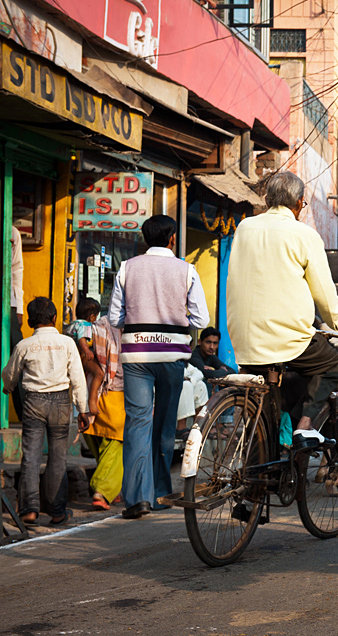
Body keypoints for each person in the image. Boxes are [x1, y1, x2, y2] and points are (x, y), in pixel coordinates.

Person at [227, 171, 338, 449]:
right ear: (300, 203)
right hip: (287, 340)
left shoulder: (244, 228)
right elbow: (326, 298)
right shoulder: (304, 234)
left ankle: (259, 469)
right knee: (332, 364)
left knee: (264, 406)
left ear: (267, 200)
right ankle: (305, 427)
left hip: (243, 341)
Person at [108, 214, 210, 519]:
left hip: (137, 356)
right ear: (173, 238)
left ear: (144, 238)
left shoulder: (127, 268)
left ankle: (138, 498)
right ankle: (162, 491)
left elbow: (115, 318)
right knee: (166, 426)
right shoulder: (187, 270)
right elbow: (201, 320)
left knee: (138, 423)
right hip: (172, 357)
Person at [2, 297, 91, 527]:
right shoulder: (67, 343)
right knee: (58, 458)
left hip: (33, 402)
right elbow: (78, 379)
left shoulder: (24, 345)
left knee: (31, 456)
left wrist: (9, 387)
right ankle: (57, 512)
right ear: (54, 319)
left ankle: (29, 510)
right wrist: (83, 409)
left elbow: (10, 373)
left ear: (31, 321)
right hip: (61, 402)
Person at [69, 298, 125, 511]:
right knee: (116, 444)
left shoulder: (91, 329)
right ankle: (102, 490)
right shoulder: (116, 331)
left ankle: (113, 489)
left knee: (99, 442)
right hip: (114, 395)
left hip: (88, 393)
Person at [10, 225, 23, 349]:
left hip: (8, 302)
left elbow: (17, 271)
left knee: (15, 347)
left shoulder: (12, 232)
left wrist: (19, 309)